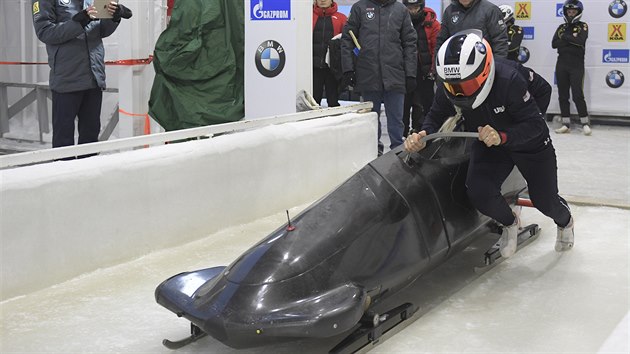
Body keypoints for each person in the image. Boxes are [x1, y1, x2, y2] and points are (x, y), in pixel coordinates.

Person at [404, 29, 574, 258]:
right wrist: (422, 135)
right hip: (490, 142)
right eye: (454, 87)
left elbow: (536, 126)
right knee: (479, 191)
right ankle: (509, 223)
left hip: (529, 144)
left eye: (465, 86)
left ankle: (566, 222)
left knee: (545, 201)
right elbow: (435, 114)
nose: (459, 93)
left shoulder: (509, 80)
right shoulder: (449, 85)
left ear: (483, 72)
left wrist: (504, 135)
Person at [31, 0, 132, 151]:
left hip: (93, 77)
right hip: (67, 78)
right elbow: (45, 32)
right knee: (63, 141)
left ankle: (89, 173)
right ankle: (64, 174)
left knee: (90, 137)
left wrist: (113, 18)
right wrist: (79, 21)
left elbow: (100, 31)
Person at [340, 0, 417, 156]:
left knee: (396, 121)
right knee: (371, 121)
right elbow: (347, 39)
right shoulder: (359, 8)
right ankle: (373, 153)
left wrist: (410, 74)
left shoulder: (400, 10)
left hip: (394, 74)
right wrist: (348, 69)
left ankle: (398, 154)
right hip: (368, 74)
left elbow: (410, 43)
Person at [402, 0, 440, 138]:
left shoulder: (433, 24)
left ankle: (422, 133)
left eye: (416, 7)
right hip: (404, 72)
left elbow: (437, 47)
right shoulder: (400, 21)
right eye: (410, 7)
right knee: (403, 106)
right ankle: (402, 135)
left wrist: (433, 70)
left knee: (423, 106)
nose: (413, 10)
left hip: (425, 73)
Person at [552, 0, 591, 136]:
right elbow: (554, 43)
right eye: (569, 11)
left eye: (573, 11)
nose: (571, 13)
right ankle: (565, 124)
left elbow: (580, 41)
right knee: (563, 95)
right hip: (561, 64)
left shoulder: (582, 26)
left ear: (578, 12)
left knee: (577, 94)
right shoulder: (561, 27)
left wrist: (565, 39)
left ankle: (585, 123)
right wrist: (570, 40)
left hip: (576, 65)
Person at [436, 0, 508, 58]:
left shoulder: (490, 10)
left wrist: (497, 67)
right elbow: (441, 41)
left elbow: (500, 41)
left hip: (484, 65)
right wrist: (436, 68)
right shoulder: (449, 11)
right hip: (454, 66)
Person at [312, 0, 347, 107]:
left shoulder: (341, 18)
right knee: (312, 102)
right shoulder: (307, 17)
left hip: (333, 68)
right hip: (312, 67)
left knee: (333, 101)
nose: (322, 0)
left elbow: (347, 42)